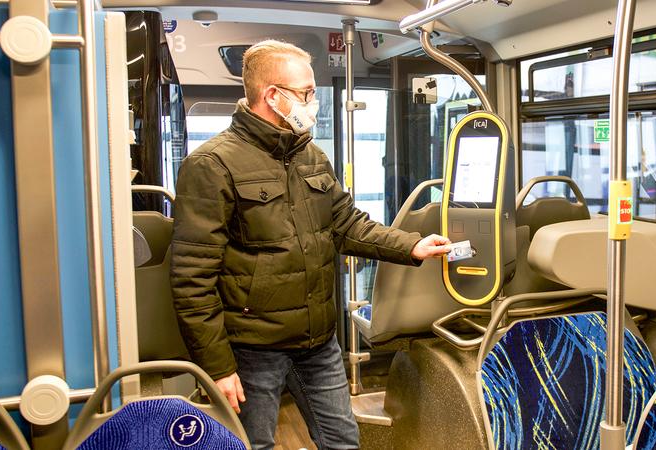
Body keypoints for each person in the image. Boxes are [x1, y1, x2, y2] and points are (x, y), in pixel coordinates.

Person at [170, 40, 451, 450]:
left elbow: (346, 224)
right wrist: (216, 366)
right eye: (305, 93)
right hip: (252, 349)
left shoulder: (311, 157)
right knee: (254, 445)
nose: (312, 102)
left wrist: (411, 245)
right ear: (272, 95)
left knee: (343, 441)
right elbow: (191, 278)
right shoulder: (212, 165)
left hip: (318, 340)